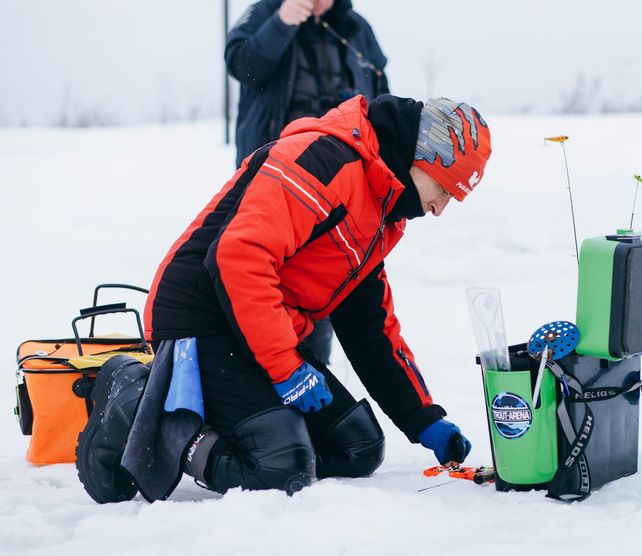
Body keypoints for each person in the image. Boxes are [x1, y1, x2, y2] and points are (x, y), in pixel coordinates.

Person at [75, 95, 492, 503]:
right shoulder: (324, 160)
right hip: (201, 316)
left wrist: (423, 419)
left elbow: (368, 327)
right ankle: (140, 403)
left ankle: (243, 428)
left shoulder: (379, 211)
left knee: (357, 447)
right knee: (279, 468)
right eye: (445, 189)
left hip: (259, 330)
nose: (440, 208)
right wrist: (286, 369)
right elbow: (239, 258)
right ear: (423, 158)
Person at [227, 0, 389, 365]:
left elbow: (380, 93)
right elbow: (243, 67)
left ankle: (314, 369)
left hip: (342, 182)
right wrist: (281, 23)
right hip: (274, 177)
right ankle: (267, 366)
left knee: (325, 275)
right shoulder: (265, 14)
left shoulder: (355, 27)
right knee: (261, 271)